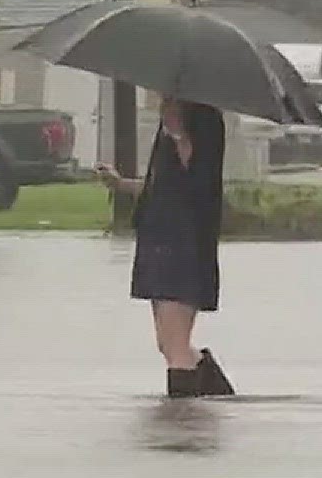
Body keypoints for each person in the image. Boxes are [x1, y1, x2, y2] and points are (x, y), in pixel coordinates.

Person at [96, 96, 235, 399]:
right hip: (157, 243)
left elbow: (199, 182)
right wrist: (121, 184)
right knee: (168, 343)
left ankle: (178, 424)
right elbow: (163, 187)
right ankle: (216, 396)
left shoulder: (203, 122)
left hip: (184, 246)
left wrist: (181, 136)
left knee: (175, 346)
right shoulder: (168, 131)